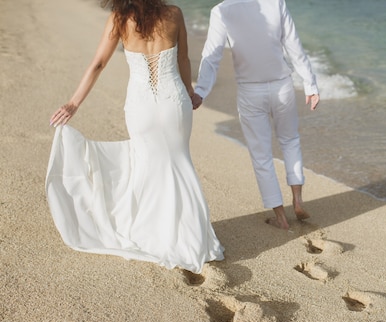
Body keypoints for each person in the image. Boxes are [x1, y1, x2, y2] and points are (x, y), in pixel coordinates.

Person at [47, 0, 224, 274]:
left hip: (140, 106)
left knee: (148, 167)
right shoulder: (174, 14)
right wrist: (189, 93)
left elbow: (98, 64)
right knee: (179, 164)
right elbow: (183, 59)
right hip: (173, 103)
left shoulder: (119, 18)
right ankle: (192, 239)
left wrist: (73, 103)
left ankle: (152, 233)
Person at [193, 0, 320, 230]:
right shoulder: (276, 2)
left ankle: (281, 217)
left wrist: (201, 91)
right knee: (290, 140)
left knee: (262, 156)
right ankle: (298, 199)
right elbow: (294, 46)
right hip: (282, 85)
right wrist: (310, 84)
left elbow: (212, 56)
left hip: (251, 91)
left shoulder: (221, 10)